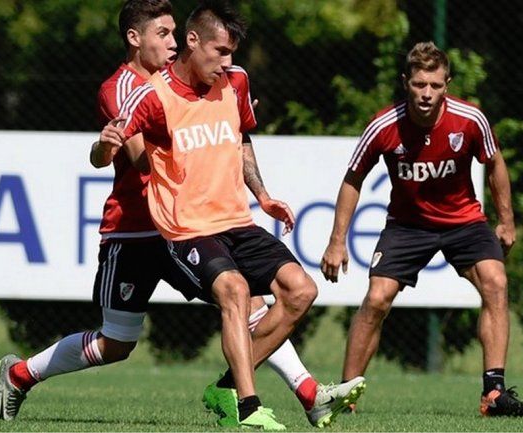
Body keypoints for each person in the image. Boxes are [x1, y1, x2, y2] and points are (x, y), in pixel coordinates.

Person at [0, 1, 362, 428]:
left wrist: (229, 141)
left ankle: (300, 394)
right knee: (118, 342)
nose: (170, 43)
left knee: (246, 300)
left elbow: (231, 133)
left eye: (173, 33)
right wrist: (193, 134)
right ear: (135, 38)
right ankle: (20, 374)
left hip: (187, 227)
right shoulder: (125, 90)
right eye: (162, 34)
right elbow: (139, 160)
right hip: (134, 232)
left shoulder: (217, 82)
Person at [117, 1, 364, 429]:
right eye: (220, 51)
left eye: (232, 52)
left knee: (301, 291)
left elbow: (242, 136)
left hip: (237, 220)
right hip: (187, 228)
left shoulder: (236, 82)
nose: (228, 62)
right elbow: (110, 151)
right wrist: (105, 146)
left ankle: (227, 385)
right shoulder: (153, 96)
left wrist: (263, 195)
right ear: (192, 42)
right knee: (233, 291)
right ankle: (248, 409)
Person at [320, 41, 523, 417]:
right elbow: (353, 179)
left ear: (446, 84)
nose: (426, 94)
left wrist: (506, 221)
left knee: (496, 282)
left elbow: (496, 164)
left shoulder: (470, 119)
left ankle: (494, 393)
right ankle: (344, 396)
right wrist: (337, 242)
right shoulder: (384, 125)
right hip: (407, 225)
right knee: (376, 299)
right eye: (419, 84)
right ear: (406, 82)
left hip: (464, 221)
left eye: (434, 85)